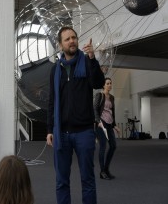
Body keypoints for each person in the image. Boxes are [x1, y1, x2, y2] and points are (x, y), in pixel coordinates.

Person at [47, 26, 105, 204]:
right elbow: (52, 101)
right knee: (61, 182)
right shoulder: (55, 70)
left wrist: (93, 58)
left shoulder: (87, 62)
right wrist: (50, 129)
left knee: (87, 180)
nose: (72, 41)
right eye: (67, 39)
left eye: (74, 37)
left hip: (84, 133)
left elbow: (98, 82)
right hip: (61, 133)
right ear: (60, 44)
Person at [94, 77, 120, 180]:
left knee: (113, 146)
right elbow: (95, 109)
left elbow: (112, 112)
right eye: (107, 83)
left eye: (110, 83)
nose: (109, 85)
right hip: (101, 124)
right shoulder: (99, 95)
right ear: (103, 85)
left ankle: (106, 169)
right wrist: (98, 121)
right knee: (103, 146)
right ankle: (102, 172)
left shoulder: (112, 97)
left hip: (109, 124)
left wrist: (115, 125)